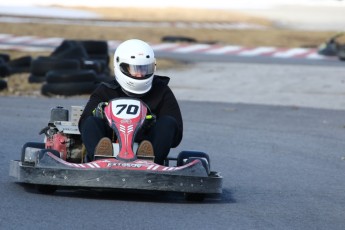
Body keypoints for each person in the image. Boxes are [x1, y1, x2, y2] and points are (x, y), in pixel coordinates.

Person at [78, 39, 183, 165]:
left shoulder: (161, 91)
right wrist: (101, 113)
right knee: (90, 121)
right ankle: (101, 158)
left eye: (144, 69)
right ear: (121, 67)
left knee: (168, 122)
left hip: (148, 145)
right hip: (111, 141)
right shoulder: (106, 90)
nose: (140, 74)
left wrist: (151, 122)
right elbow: (84, 123)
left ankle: (149, 160)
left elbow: (176, 134)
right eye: (135, 69)